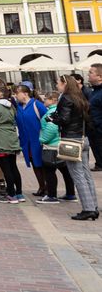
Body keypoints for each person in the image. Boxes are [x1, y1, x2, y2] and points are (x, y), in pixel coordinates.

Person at [51, 75, 99, 221]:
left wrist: (53, 118)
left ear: (65, 83)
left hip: (70, 139)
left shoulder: (66, 98)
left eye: (58, 83)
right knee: (85, 174)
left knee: (77, 175)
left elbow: (64, 119)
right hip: (83, 138)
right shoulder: (80, 96)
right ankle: (93, 206)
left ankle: (88, 209)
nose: (57, 86)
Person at [0, 84, 24, 203]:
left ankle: (11, 194)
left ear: (0, 94)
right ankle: (19, 193)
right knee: (13, 166)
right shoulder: (11, 105)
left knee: (5, 167)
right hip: (11, 136)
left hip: (0, 137)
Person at [37, 91, 76, 204]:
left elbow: (52, 128)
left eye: (46, 99)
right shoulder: (58, 110)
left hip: (52, 146)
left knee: (49, 170)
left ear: (53, 100)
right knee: (65, 170)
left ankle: (52, 196)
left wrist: (42, 139)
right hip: (60, 143)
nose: (44, 101)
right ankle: (70, 193)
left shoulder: (52, 112)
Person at [13, 85, 48, 198]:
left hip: (38, 140)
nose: (15, 96)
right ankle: (41, 186)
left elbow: (48, 120)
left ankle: (48, 188)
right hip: (26, 141)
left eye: (17, 93)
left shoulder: (36, 105)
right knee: (34, 163)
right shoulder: (18, 107)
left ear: (25, 93)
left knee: (42, 164)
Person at [87, 63, 102, 172]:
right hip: (94, 131)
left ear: (100, 77)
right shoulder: (94, 91)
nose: (88, 75)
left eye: (91, 72)